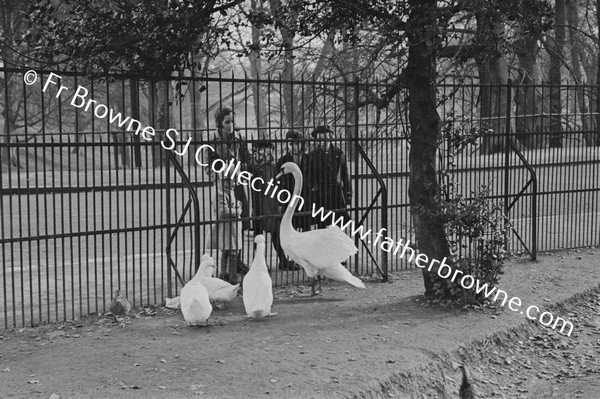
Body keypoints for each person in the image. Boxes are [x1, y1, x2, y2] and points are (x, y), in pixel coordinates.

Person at [207, 106, 249, 283]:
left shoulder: (240, 139)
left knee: (240, 224)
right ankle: (226, 269)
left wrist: (242, 169)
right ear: (219, 124)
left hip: (239, 184)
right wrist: (223, 171)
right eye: (227, 122)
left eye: (232, 121)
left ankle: (237, 260)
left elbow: (247, 161)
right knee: (226, 226)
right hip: (223, 185)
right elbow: (208, 168)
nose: (231, 125)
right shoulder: (213, 142)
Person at [247, 138, 290, 270]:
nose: (268, 152)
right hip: (258, 203)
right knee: (259, 236)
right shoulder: (253, 166)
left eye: (269, 150)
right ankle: (260, 262)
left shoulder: (273, 165)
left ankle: (283, 260)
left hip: (271, 203)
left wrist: (279, 200)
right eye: (264, 150)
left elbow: (279, 183)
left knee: (276, 234)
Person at [305, 125, 352, 228]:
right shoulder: (312, 156)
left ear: (330, 137)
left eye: (326, 137)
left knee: (338, 227)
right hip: (321, 197)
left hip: (337, 195)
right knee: (323, 228)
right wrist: (314, 188)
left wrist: (348, 195)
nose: (323, 141)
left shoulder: (339, 153)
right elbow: (308, 177)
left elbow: (346, 175)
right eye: (320, 138)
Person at [276, 130, 311, 232]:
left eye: (297, 143)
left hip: (306, 199)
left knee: (306, 231)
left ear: (302, 144)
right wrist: (281, 200)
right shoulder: (283, 161)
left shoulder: (309, 159)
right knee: (290, 229)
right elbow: (279, 182)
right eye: (291, 144)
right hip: (289, 199)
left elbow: (315, 177)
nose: (294, 146)